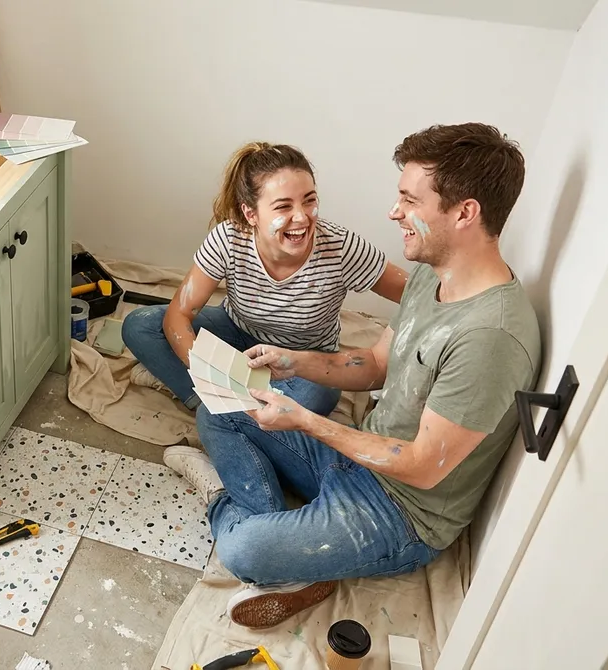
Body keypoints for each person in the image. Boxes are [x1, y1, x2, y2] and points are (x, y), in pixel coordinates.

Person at [163, 123, 542, 629]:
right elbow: (375, 365)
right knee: (222, 416)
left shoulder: (491, 338)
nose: (394, 212)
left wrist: (306, 420)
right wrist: (290, 361)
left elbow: (423, 468)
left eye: (410, 200)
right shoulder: (434, 274)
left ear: (464, 212)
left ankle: (224, 500)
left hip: (402, 512)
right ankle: (292, 548)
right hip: (362, 454)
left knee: (242, 550)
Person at [122, 142, 409, 418]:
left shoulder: (341, 247)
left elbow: (416, 292)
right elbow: (179, 315)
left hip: (303, 359)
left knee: (317, 397)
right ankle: (208, 405)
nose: (302, 218)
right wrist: (208, 373)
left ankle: (228, 416)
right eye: (283, 207)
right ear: (251, 214)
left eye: (309, 201)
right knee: (140, 325)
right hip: (236, 333)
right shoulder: (228, 238)